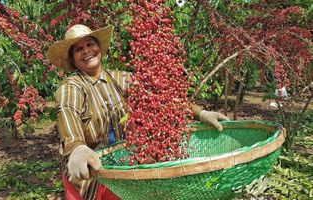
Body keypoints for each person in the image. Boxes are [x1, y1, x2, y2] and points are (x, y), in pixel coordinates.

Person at [47, 24, 229, 200]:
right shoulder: (71, 86)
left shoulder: (120, 78)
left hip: (119, 169)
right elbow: (67, 110)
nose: (86, 50)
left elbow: (160, 97)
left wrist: (200, 112)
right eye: (78, 49)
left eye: (89, 44)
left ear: (99, 48)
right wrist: (77, 147)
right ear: (72, 59)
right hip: (87, 174)